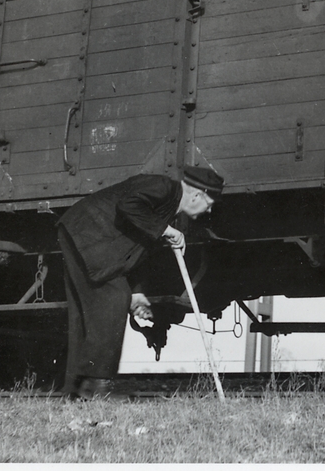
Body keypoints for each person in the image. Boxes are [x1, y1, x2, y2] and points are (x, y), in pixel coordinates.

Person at [56, 165, 223, 399]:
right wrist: (166, 230)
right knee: (113, 299)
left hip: (84, 234)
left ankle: (77, 387)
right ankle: (97, 386)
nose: (209, 210)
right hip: (89, 233)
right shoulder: (163, 187)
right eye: (210, 203)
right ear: (197, 195)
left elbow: (136, 250)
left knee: (89, 311)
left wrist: (137, 292)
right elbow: (128, 205)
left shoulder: (168, 207)